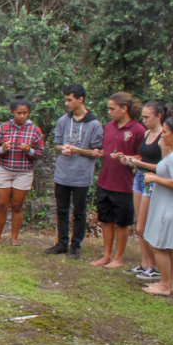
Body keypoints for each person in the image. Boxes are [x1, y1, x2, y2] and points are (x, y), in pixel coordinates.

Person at [45, 84, 103, 259]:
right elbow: (56, 144)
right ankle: (61, 243)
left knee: (79, 211)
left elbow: (98, 152)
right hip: (62, 173)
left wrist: (78, 150)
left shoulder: (94, 124)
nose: (67, 103)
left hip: (81, 175)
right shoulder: (63, 121)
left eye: (70, 100)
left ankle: (75, 246)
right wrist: (62, 149)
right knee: (62, 209)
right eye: (65, 99)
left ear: (80, 100)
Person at [140, 115, 173, 296]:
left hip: (171, 207)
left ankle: (164, 285)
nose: (162, 135)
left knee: (158, 245)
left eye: (165, 132)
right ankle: (169, 283)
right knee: (169, 246)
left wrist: (154, 178)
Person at [91, 92, 146, 268]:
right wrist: (99, 153)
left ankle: (118, 258)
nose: (109, 112)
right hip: (105, 181)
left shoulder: (138, 130)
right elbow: (105, 149)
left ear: (124, 108)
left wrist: (127, 157)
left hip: (125, 184)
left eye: (112, 108)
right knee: (106, 219)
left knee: (122, 223)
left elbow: (143, 157)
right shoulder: (109, 126)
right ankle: (106, 255)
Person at [122, 102, 170, 280]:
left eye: (147, 117)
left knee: (144, 227)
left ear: (158, 116)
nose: (144, 120)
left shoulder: (163, 138)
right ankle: (145, 264)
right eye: (142, 117)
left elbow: (163, 167)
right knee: (138, 226)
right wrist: (130, 160)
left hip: (152, 181)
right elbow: (143, 156)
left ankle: (155, 266)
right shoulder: (147, 133)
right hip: (139, 179)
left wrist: (139, 163)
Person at [0, 95, 44, 246]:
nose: (22, 116)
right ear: (12, 112)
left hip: (24, 171)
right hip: (5, 169)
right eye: (19, 113)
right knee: (1, 204)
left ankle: (14, 238)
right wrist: (2, 148)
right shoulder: (4, 128)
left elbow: (40, 153)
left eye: (25, 113)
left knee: (17, 205)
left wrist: (30, 151)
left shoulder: (35, 131)